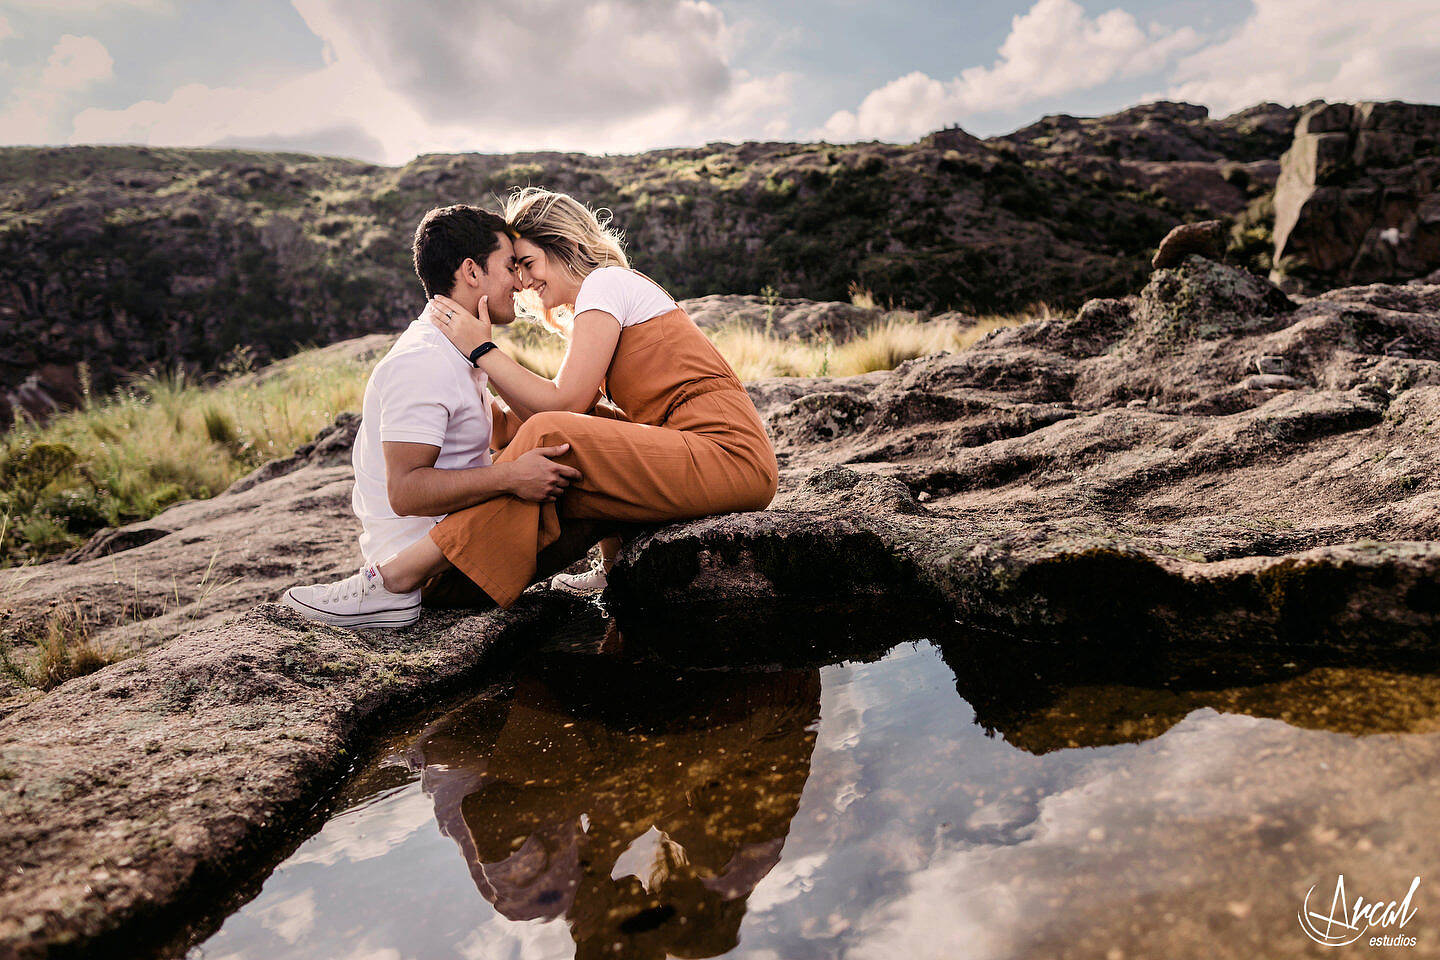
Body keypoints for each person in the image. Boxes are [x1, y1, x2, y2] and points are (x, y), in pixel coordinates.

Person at [358, 186, 779, 616]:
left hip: (729, 453)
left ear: (565, 246)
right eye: (514, 267)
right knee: (550, 434)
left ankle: (406, 573)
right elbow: (577, 416)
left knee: (551, 432)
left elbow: (564, 405)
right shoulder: (598, 302)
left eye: (526, 262)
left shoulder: (606, 283)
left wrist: (483, 351)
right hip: (707, 453)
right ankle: (612, 565)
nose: (522, 281)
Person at [280, 204, 581, 627]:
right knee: (584, 466)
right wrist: (511, 477)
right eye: (510, 266)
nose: (520, 281)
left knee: (578, 447)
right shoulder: (423, 362)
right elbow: (406, 491)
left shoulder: (458, 350)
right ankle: (385, 589)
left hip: (465, 545)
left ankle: (616, 564)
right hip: (436, 573)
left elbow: (512, 428)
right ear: (472, 272)